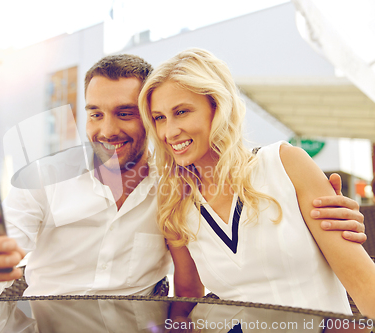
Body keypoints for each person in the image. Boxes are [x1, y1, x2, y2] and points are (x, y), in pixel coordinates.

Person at [0, 54, 366, 303]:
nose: (107, 130)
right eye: (94, 113)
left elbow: (189, 289)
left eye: (126, 113)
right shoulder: (43, 179)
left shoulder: (175, 188)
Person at [138, 48, 375, 316]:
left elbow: (364, 282)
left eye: (181, 112)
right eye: (159, 118)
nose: (169, 131)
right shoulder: (178, 206)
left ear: (217, 107)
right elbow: (188, 302)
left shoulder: (285, 163)